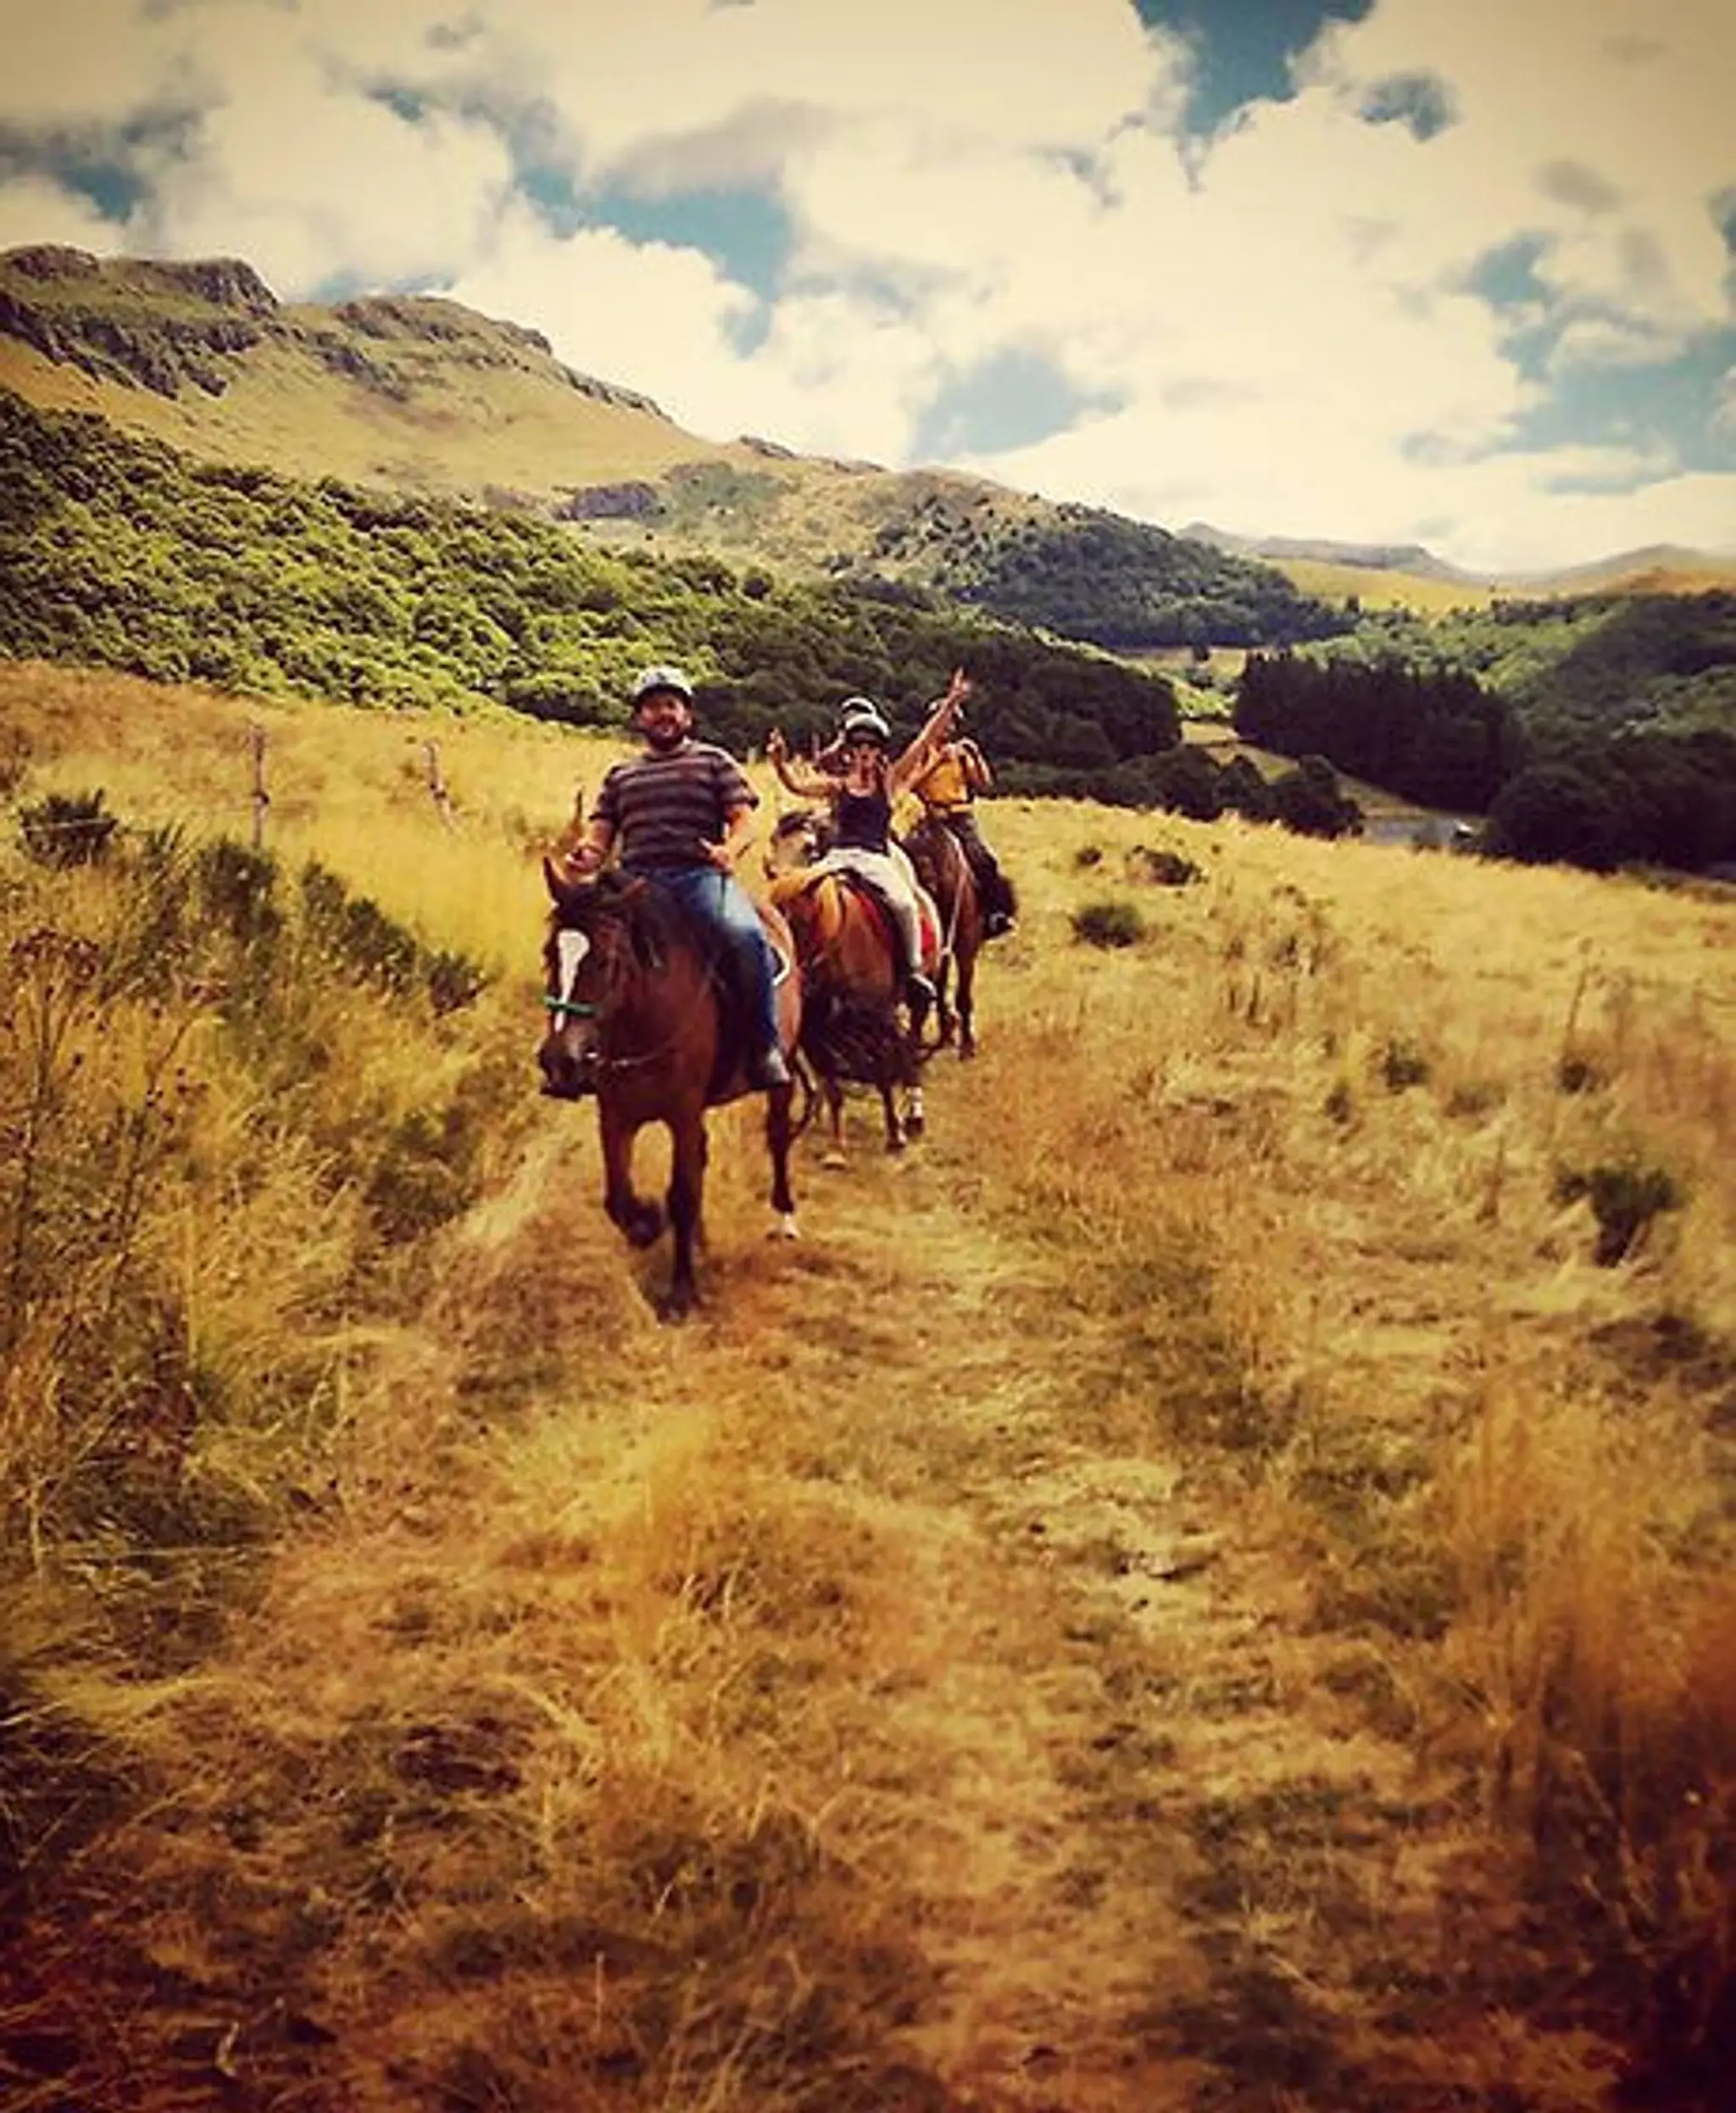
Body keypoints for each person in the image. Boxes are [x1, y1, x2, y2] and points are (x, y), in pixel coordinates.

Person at [565, 664, 790, 1089]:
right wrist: (587, 856)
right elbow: (601, 832)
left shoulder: (713, 761)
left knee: (745, 937)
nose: (663, 714)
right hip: (635, 881)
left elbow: (744, 821)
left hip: (696, 878)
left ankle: (765, 1047)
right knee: (579, 943)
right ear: (639, 718)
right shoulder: (621, 775)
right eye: (652, 707)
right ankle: (576, 1053)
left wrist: (730, 850)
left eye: (671, 705)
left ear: (687, 715)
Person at [765, 670, 971, 1004]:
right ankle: (789, 965)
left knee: (905, 904)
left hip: (876, 858)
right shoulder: (838, 785)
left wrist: (949, 705)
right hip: (838, 857)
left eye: (870, 746)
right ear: (848, 750)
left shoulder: (889, 782)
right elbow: (796, 786)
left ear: (879, 751)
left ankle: (914, 970)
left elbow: (921, 744)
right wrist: (778, 762)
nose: (864, 751)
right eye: (858, 745)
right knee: (793, 894)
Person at [903, 706, 1018, 937]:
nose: (948, 728)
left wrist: (974, 756)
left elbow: (984, 783)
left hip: (960, 817)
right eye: (945, 722)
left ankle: (993, 915)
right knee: (906, 858)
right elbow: (910, 783)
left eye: (953, 724)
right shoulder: (921, 752)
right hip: (931, 818)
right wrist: (935, 763)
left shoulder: (960, 754)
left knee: (985, 860)